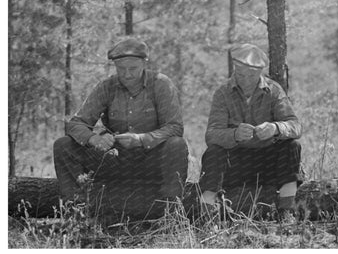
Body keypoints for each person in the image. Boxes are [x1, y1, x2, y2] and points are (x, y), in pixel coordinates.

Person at [53, 38, 188, 218]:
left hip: (151, 161)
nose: (127, 74)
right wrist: (94, 139)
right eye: (121, 69)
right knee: (63, 145)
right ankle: (76, 212)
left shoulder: (161, 84)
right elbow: (75, 124)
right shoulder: (107, 87)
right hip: (116, 161)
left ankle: (171, 214)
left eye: (132, 69)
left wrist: (142, 139)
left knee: (177, 145)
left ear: (143, 64)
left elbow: (175, 127)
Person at [198, 43, 303, 218]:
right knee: (213, 152)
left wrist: (275, 128)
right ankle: (207, 215)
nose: (245, 80)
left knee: (291, 146)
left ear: (260, 72)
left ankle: (286, 212)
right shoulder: (223, 93)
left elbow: (295, 125)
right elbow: (212, 135)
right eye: (240, 74)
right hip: (236, 165)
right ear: (234, 68)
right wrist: (234, 135)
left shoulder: (274, 90)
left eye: (251, 75)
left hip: (268, 164)